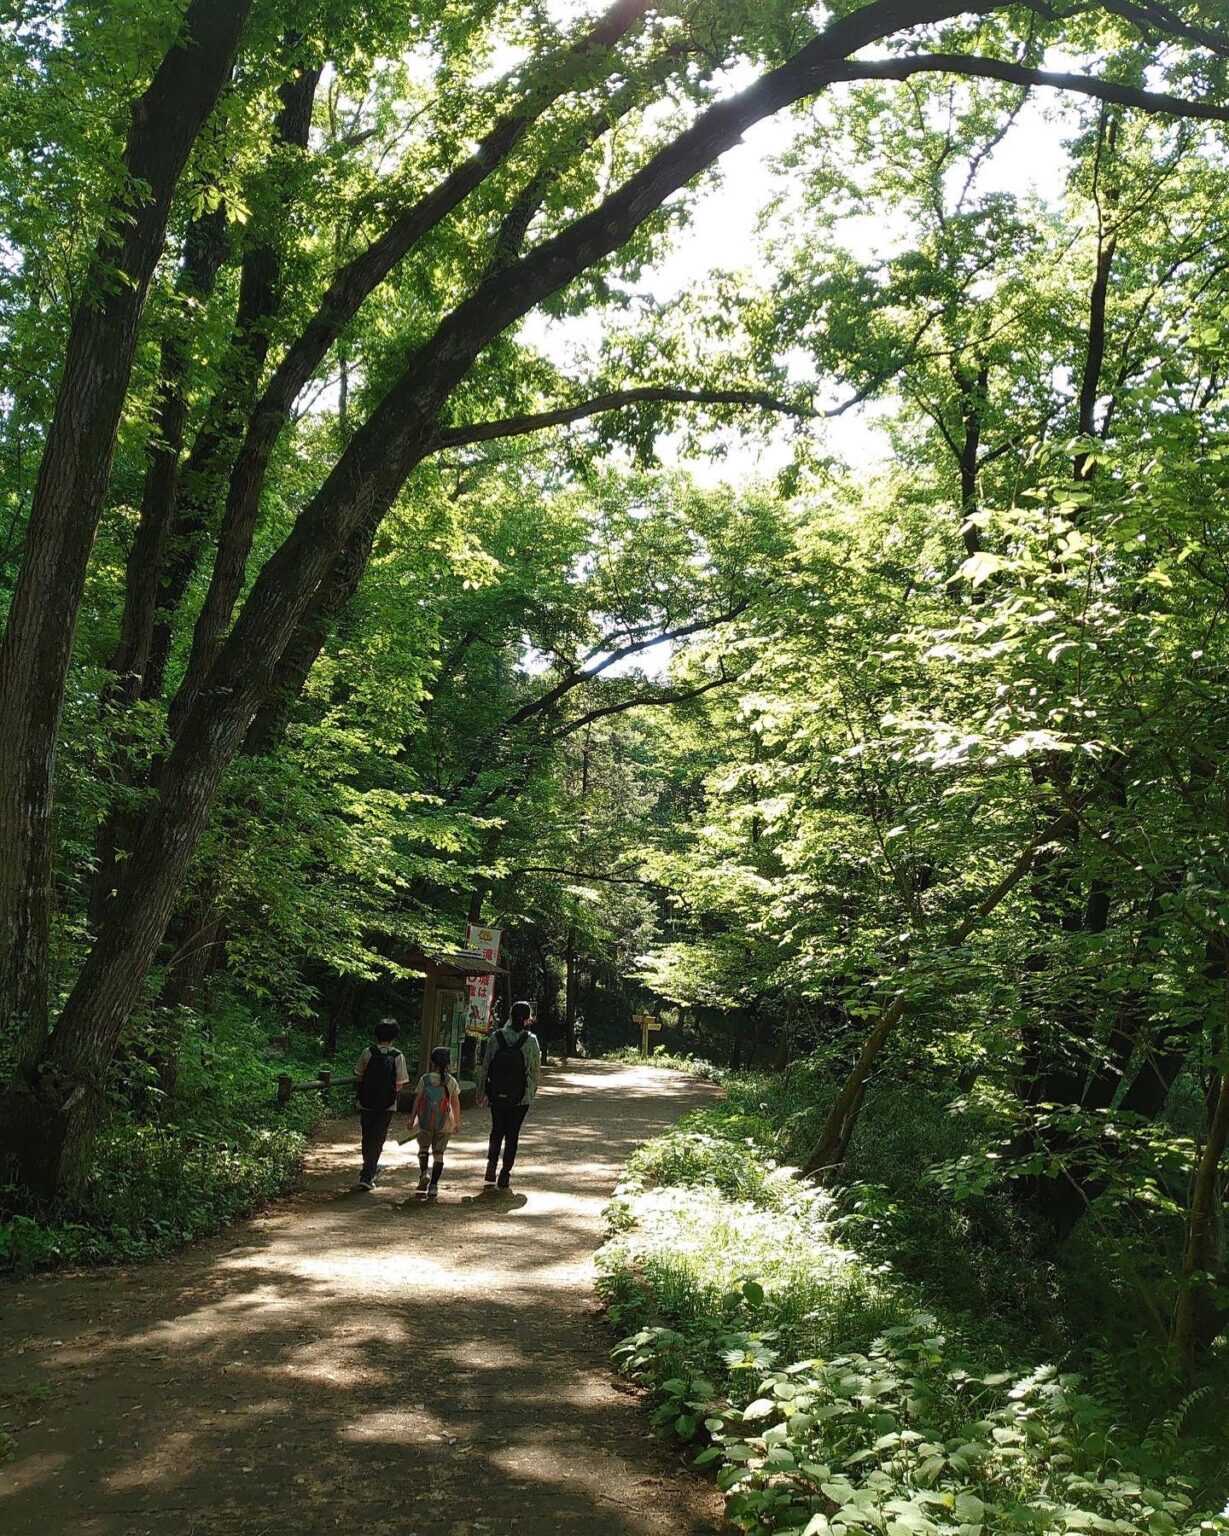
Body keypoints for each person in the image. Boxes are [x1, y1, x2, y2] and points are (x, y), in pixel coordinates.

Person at [477, 1000, 541, 1190]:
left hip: (497, 1094)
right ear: (528, 1018)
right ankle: (505, 1172)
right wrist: (529, 1093)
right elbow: (534, 1071)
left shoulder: (496, 1037)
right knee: (512, 1134)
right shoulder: (531, 1041)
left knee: (497, 1130)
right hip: (520, 1097)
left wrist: (482, 1091)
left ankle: (491, 1165)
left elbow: (486, 1066)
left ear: (510, 1016)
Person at [353, 1018, 409, 1190]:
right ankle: (368, 1174)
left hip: (366, 1103)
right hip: (387, 1105)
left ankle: (367, 1169)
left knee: (367, 1135)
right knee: (378, 1137)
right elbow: (400, 1083)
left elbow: (359, 1075)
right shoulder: (397, 1056)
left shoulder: (367, 1052)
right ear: (394, 1036)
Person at [410, 1045, 461, 1200]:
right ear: (448, 1063)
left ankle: (424, 1173)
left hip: (425, 1120)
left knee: (423, 1148)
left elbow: (417, 1100)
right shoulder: (451, 1081)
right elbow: (455, 1103)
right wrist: (456, 1122)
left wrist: (412, 1118)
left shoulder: (425, 1079)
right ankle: (433, 1185)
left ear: (432, 1062)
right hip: (444, 1123)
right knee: (439, 1154)